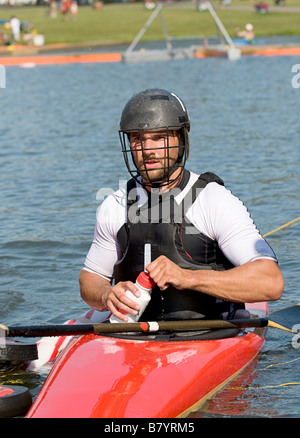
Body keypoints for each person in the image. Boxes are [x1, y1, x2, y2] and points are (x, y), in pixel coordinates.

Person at [79, 88, 283, 322]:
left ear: (181, 139)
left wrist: (188, 277)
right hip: (131, 339)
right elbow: (90, 279)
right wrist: (106, 295)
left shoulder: (214, 200)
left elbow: (271, 282)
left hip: (208, 337)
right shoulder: (114, 205)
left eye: (159, 137)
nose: (148, 150)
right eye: (137, 139)